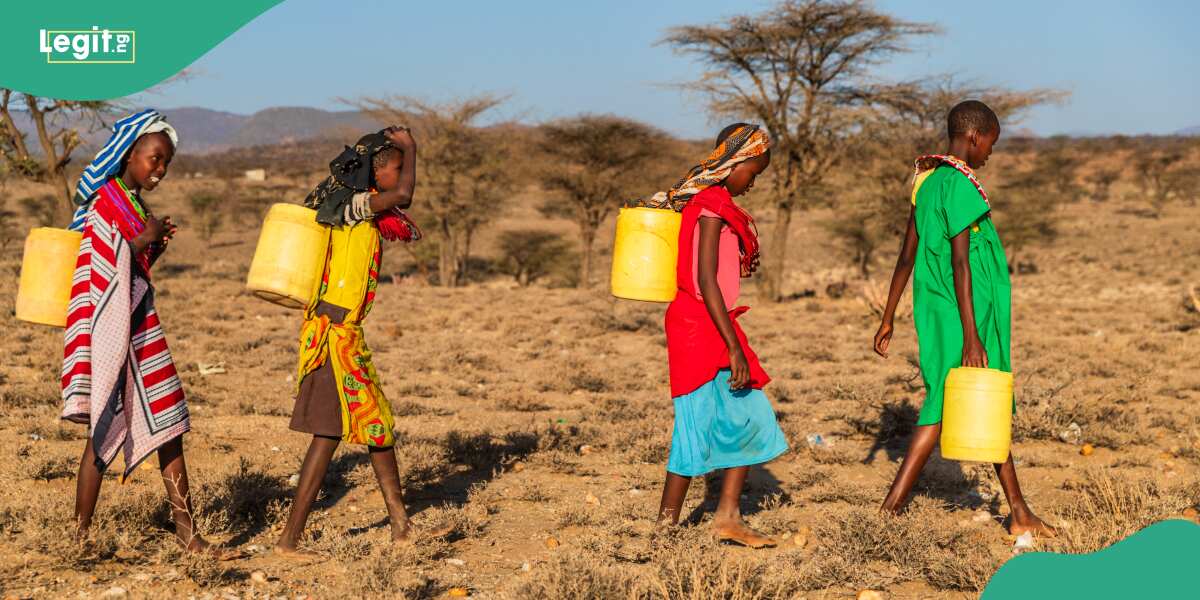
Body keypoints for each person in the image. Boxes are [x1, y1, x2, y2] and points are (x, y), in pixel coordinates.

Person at [872, 100, 1054, 536]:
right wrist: (972, 336)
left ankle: (1019, 510)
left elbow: (906, 256)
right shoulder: (959, 185)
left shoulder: (927, 182)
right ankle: (889, 510)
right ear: (975, 136)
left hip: (934, 306)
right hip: (961, 311)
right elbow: (961, 264)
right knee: (943, 402)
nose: (991, 151)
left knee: (977, 397)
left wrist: (888, 316)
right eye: (991, 142)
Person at [62, 109, 223, 554]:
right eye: (154, 159)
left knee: (169, 424)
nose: (160, 170)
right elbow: (100, 264)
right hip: (115, 333)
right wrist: (139, 241)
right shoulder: (105, 201)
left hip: (141, 328)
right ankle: (80, 535)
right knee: (102, 433)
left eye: (166, 163)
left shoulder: (132, 205)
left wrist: (153, 245)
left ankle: (188, 533)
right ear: (130, 154)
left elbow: (132, 272)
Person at [275, 126, 424, 557]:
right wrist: (413, 148)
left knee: (367, 425)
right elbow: (403, 197)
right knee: (336, 431)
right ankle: (290, 540)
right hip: (332, 331)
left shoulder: (361, 208)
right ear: (376, 175)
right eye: (396, 169)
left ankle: (400, 525)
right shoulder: (352, 207)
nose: (402, 176)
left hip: (345, 332)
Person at [650, 123, 789, 549]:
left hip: (718, 321)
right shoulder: (710, 204)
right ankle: (664, 530)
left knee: (749, 416)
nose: (754, 181)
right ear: (737, 163)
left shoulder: (719, 202)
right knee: (694, 424)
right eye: (754, 172)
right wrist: (733, 347)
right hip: (698, 325)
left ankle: (728, 517)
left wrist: (732, 341)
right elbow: (705, 279)